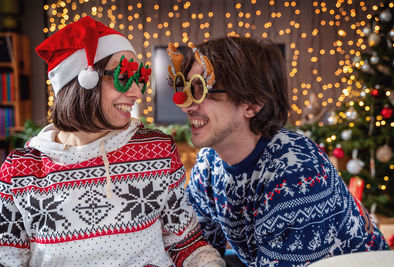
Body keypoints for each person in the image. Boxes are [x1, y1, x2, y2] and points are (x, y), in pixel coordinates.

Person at [0, 16, 225, 267]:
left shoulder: (157, 151)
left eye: (139, 77)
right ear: (84, 80)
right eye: (123, 75)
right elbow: (8, 260)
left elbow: (186, 245)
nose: (137, 93)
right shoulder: (20, 171)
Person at [166, 37, 388, 266]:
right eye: (186, 88)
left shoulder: (296, 172)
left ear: (252, 104)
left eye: (201, 89)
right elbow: (196, 246)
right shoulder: (208, 163)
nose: (186, 105)